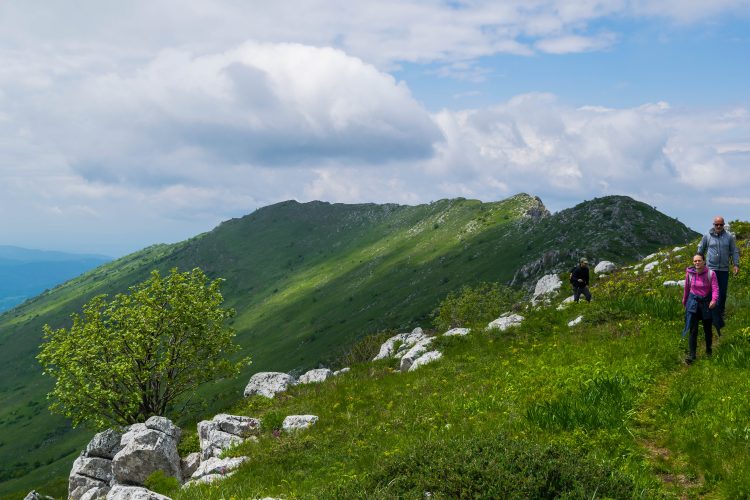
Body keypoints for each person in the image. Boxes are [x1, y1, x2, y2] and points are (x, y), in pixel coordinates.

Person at [697, 216, 740, 332]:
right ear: (713, 225)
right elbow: (700, 250)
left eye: (721, 225)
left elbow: (734, 251)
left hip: (724, 269)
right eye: (717, 224)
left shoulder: (729, 237)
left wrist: (736, 265)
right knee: (710, 292)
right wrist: (698, 264)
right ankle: (709, 314)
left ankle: (720, 313)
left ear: (723, 225)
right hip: (711, 269)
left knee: (722, 293)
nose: (719, 227)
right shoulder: (707, 236)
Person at [682, 253, 718, 364]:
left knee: (707, 329)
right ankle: (692, 355)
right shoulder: (689, 274)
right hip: (692, 303)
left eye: (699, 260)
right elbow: (687, 289)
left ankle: (708, 350)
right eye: (695, 261)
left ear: (704, 261)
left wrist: (714, 300)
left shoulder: (711, 274)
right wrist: (685, 302)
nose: (697, 263)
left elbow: (715, 289)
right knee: (693, 330)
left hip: (706, 303)